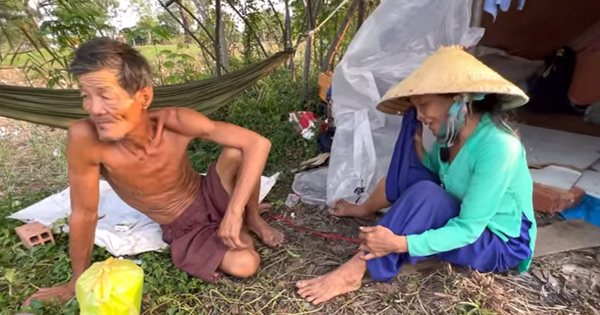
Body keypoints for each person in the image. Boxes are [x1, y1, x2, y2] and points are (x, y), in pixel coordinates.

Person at [23, 37, 284, 306]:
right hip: (184, 226)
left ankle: (251, 218)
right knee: (245, 263)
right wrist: (76, 281)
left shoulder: (174, 122)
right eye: (85, 96)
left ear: (144, 96)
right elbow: (84, 214)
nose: (93, 108)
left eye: (105, 95)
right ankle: (237, 224)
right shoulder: (85, 139)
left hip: (209, 193)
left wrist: (233, 211)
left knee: (238, 151)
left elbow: (257, 143)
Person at [296, 46, 537, 305]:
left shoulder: (499, 147)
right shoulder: (451, 139)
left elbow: (468, 229)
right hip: (469, 224)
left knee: (427, 193)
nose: (420, 116)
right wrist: (417, 147)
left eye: (423, 105)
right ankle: (365, 213)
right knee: (415, 183)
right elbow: (435, 172)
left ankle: (354, 269)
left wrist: (400, 243)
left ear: (459, 99)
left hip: (499, 243)